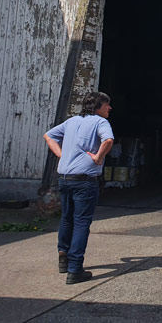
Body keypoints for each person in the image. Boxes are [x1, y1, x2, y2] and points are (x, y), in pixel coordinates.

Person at [43, 91, 114, 284]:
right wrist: (98, 158)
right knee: (82, 222)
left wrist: (61, 155)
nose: (109, 108)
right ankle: (75, 269)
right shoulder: (100, 122)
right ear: (98, 106)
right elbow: (108, 140)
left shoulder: (72, 122)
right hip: (85, 180)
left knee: (67, 218)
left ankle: (63, 257)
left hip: (65, 178)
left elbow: (48, 136)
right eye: (107, 105)